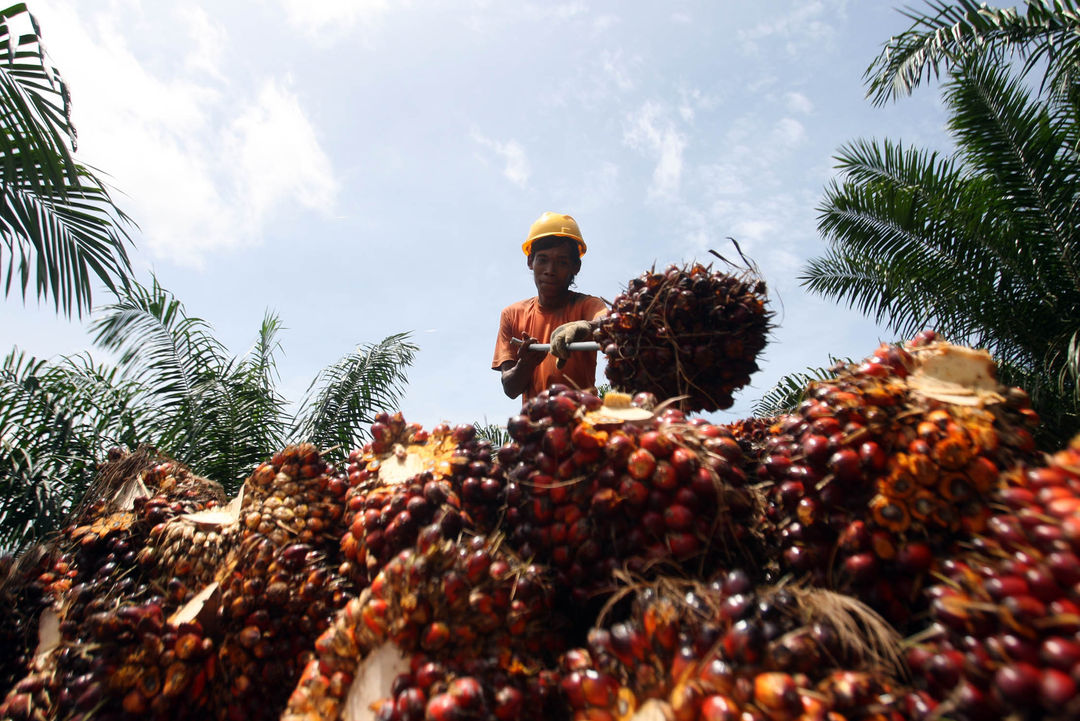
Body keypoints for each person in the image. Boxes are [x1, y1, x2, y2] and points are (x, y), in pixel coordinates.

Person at [492, 212, 607, 403]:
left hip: (584, 425)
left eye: (562, 262)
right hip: (535, 427)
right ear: (531, 262)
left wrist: (588, 327)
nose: (550, 271)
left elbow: (608, 321)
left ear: (575, 267)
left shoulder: (587, 305)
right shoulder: (512, 315)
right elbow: (510, 389)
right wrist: (526, 364)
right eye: (543, 260)